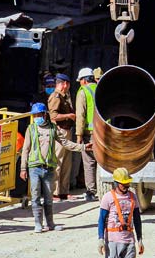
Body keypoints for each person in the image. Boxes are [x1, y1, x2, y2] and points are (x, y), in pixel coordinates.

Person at [19, 102, 91, 233]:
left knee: (48, 198)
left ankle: (50, 223)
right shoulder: (31, 129)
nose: (36, 118)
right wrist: (23, 168)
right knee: (35, 197)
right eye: (34, 115)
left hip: (49, 169)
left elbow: (66, 143)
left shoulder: (53, 129)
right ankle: (38, 224)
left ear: (44, 114)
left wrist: (83, 147)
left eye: (38, 115)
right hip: (34, 168)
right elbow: (25, 149)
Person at [96, 167, 144, 258]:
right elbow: (101, 219)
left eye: (127, 183)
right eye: (124, 183)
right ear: (116, 183)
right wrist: (100, 239)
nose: (126, 186)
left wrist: (140, 239)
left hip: (129, 239)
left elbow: (137, 219)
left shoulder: (132, 197)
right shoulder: (108, 197)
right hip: (112, 239)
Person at [47, 73, 76, 202]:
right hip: (59, 132)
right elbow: (53, 117)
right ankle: (54, 192)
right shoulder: (56, 97)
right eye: (67, 84)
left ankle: (64, 191)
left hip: (67, 131)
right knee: (57, 162)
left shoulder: (65, 97)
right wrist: (68, 116)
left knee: (66, 163)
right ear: (64, 84)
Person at [76, 67, 99, 201]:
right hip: (104, 132)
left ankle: (91, 191)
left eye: (80, 81)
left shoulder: (83, 92)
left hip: (89, 133)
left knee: (89, 161)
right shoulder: (101, 88)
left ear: (84, 80)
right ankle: (106, 187)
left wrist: (79, 135)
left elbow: (81, 115)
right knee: (102, 161)